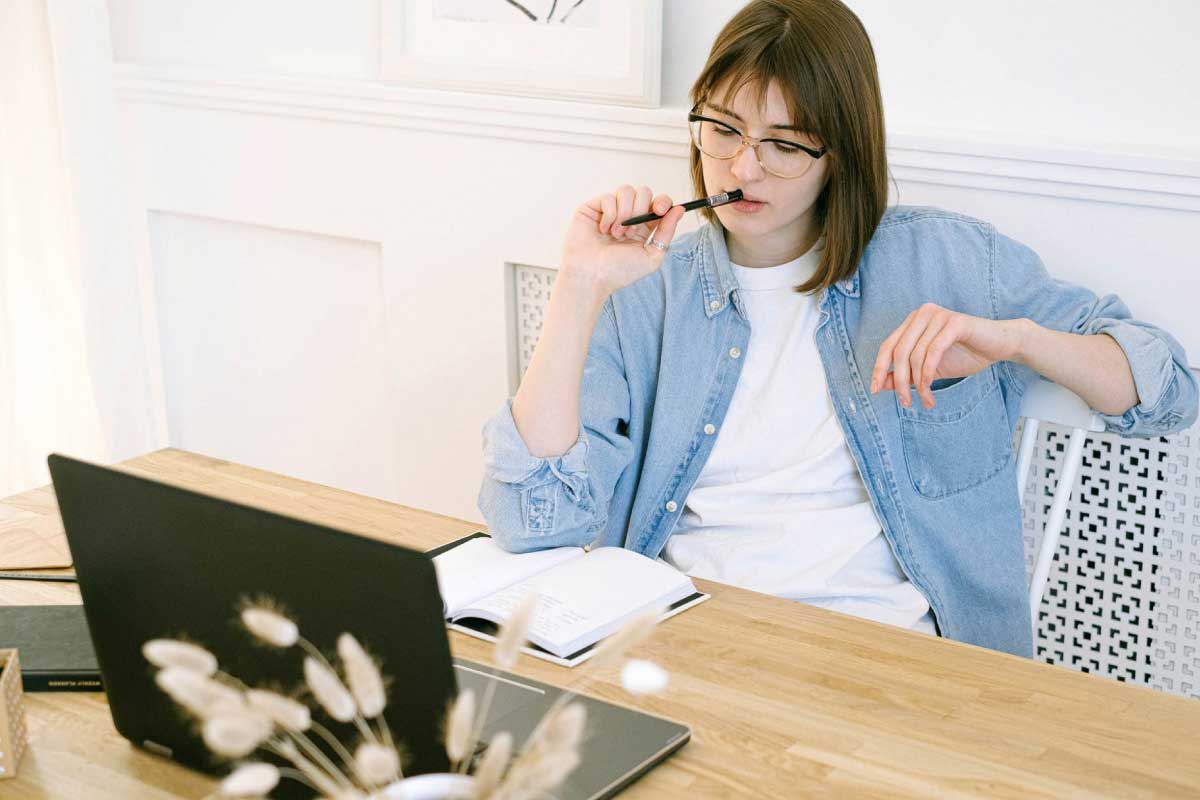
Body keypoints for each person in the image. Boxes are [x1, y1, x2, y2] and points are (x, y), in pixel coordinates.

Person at [476, 0, 1197, 657]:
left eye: (784, 145)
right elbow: (532, 520)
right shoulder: (647, 287)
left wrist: (1017, 340)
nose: (742, 165)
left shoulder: (946, 259)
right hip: (688, 639)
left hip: (888, 655)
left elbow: (1169, 387)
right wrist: (579, 287)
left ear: (841, 154)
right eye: (722, 129)